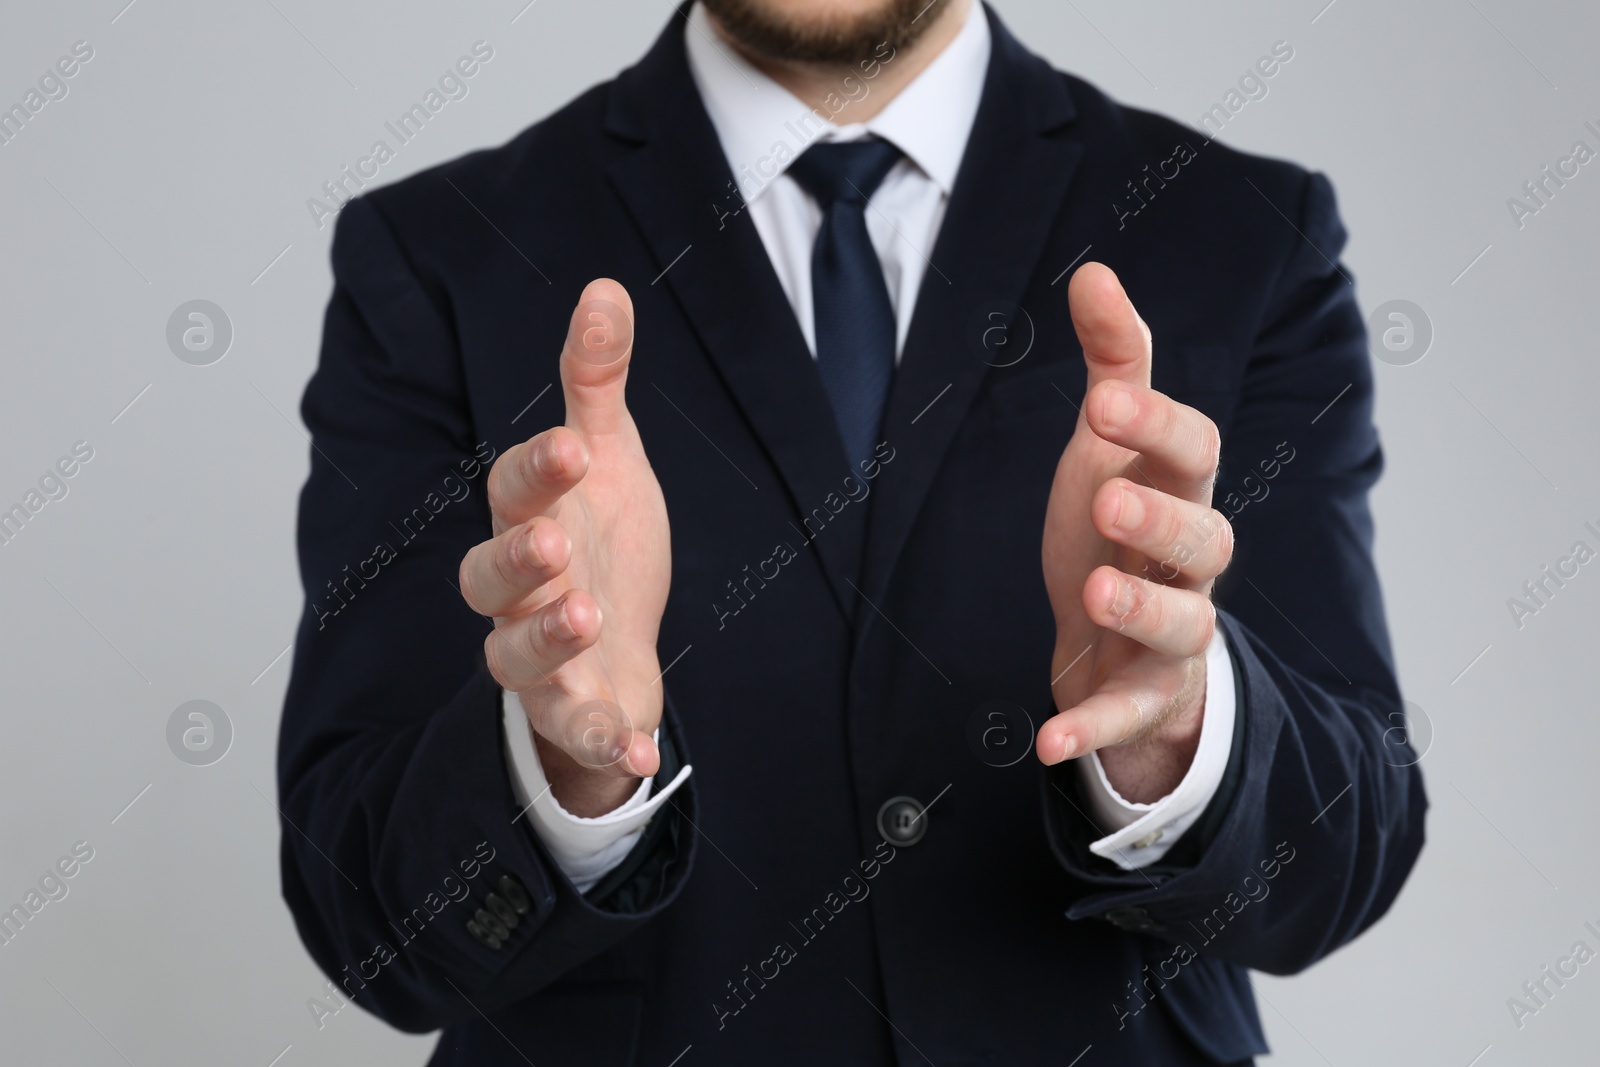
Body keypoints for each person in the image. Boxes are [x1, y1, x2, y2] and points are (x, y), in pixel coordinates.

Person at [277, 0, 1427, 1063]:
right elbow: (362, 916)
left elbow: (1347, 848)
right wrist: (564, 766)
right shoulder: (438, 254)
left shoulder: (1242, 233)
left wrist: (1177, 736)